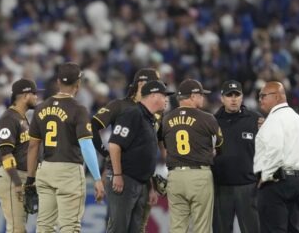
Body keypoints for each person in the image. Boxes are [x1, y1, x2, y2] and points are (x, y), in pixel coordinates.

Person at [26, 62, 105, 232]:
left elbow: (33, 146)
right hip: (69, 171)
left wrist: (30, 179)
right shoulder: (78, 109)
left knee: (44, 226)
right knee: (69, 227)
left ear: (58, 81)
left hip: (45, 169)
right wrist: (97, 178)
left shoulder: (41, 108)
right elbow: (86, 145)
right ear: (78, 84)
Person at [91, 68, 163, 232]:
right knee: (117, 224)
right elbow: (92, 127)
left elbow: (156, 144)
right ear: (142, 84)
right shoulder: (120, 105)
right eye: (155, 84)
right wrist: (105, 153)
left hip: (143, 177)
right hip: (120, 173)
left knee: (138, 227)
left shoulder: (156, 111)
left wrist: (151, 185)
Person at [106, 80, 173, 233]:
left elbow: (145, 157)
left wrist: (150, 187)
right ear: (154, 95)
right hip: (125, 180)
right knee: (119, 228)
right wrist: (117, 174)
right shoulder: (132, 113)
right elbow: (114, 145)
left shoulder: (149, 119)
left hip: (140, 182)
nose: (166, 100)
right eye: (164, 96)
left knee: (135, 229)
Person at [161, 79, 223, 233]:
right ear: (193, 96)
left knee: (177, 228)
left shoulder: (166, 119)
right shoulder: (207, 118)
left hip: (174, 176)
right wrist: (211, 151)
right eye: (201, 94)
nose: (203, 97)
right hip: (199, 176)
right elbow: (220, 145)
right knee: (202, 227)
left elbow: (164, 146)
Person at [254, 81, 299, 233]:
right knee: (292, 229)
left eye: (263, 95)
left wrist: (265, 175)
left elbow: (275, 149)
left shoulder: (274, 119)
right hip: (296, 180)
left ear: (276, 97)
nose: (260, 99)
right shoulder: (297, 118)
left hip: (275, 182)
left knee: (273, 229)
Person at [212, 80, 262, 233]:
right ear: (222, 98)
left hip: (248, 187)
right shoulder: (212, 121)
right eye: (229, 95)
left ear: (242, 97)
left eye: (236, 95)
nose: (233, 99)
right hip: (221, 187)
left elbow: (265, 150)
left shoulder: (255, 120)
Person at [0, 78, 39, 233]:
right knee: (16, 229)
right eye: (34, 94)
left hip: (21, 177)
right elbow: (6, 155)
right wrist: (18, 182)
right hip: (12, 178)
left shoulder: (22, 117)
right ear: (25, 95)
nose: (37, 97)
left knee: (19, 228)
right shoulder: (9, 118)